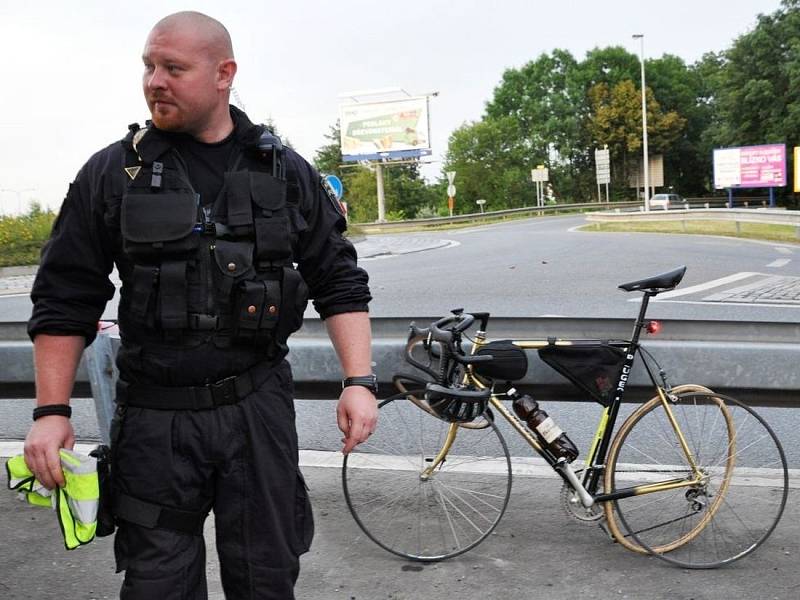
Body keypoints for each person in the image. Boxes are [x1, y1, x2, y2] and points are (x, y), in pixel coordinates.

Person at [23, 11, 377, 600]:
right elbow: (65, 295)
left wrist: (359, 380)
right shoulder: (114, 173)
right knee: (157, 583)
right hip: (155, 419)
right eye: (148, 66)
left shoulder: (285, 171)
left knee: (266, 577)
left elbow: (338, 279)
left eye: (173, 68)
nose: (154, 80)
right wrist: (50, 410)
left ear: (223, 74)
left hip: (256, 408)